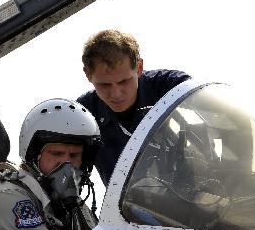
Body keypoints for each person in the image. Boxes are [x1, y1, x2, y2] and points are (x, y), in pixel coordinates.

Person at [0, 98, 102, 230]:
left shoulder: (72, 206)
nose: (67, 165)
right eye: (56, 153)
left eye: (74, 155)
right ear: (34, 156)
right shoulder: (8, 199)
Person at [77, 29, 190, 186]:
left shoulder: (171, 86)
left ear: (139, 67)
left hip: (192, 192)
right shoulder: (82, 116)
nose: (116, 94)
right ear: (88, 75)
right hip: (130, 208)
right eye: (104, 85)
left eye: (124, 82)